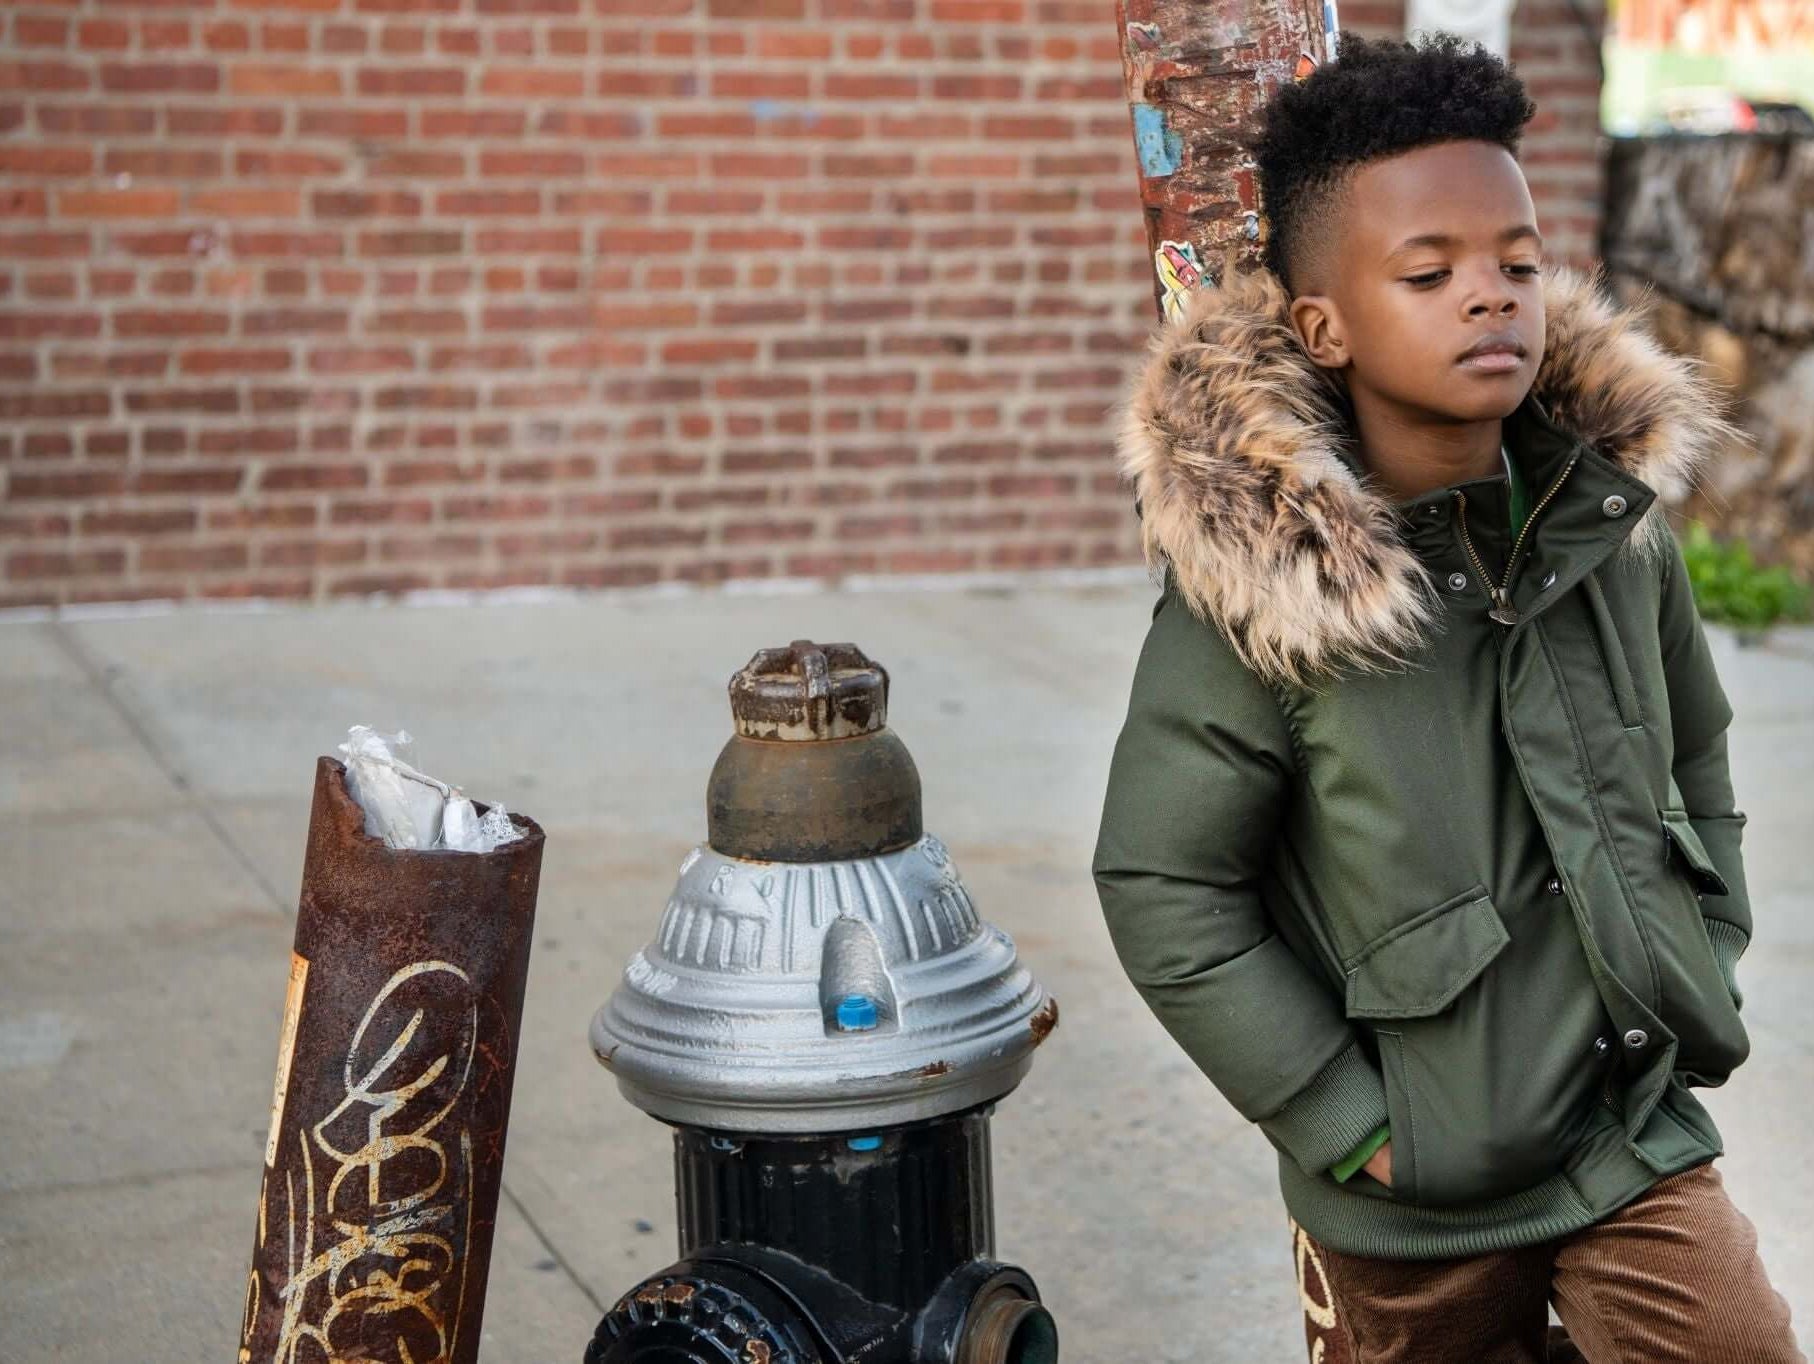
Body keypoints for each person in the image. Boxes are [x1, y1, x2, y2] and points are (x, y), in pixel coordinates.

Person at [1090, 30, 1805, 1364]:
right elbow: (1162, 882)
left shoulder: (1609, 531)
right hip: (1413, 1189)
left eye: (1517, 265)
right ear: (1325, 326)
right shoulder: (1269, 592)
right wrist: (1347, 1119)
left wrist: (1701, 947)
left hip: (1627, 1129)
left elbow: (1697, 755)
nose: (1489, 299)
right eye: (1429, 274)